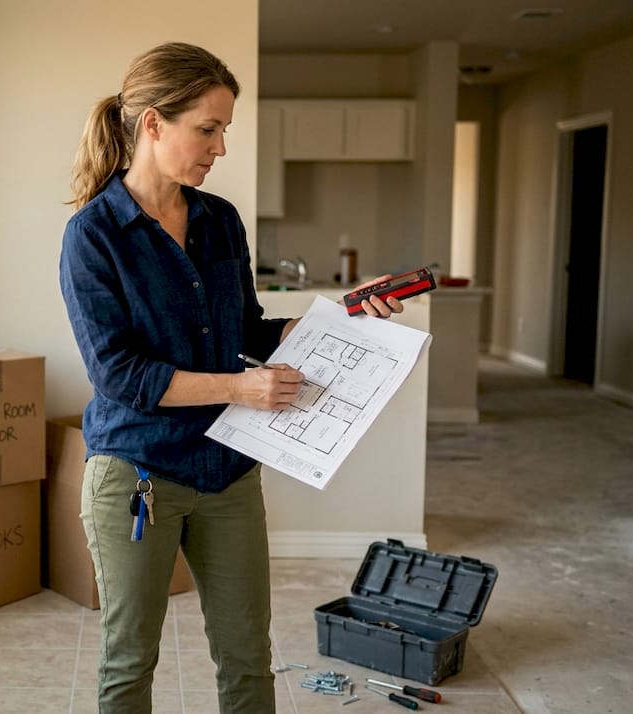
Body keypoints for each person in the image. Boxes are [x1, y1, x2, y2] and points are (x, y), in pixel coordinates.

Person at [58, 42, 403, 714]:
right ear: (153, 124)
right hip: (137, 473)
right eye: (208, 130)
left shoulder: (219, 221)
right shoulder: (93, 235)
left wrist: (349, 314)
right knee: (130, 663)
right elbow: (121, 375)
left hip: (227, 471)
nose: (219, 149)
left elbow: (245, 330)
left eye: (225, 131)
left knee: (248, 658)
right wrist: (240, 390)